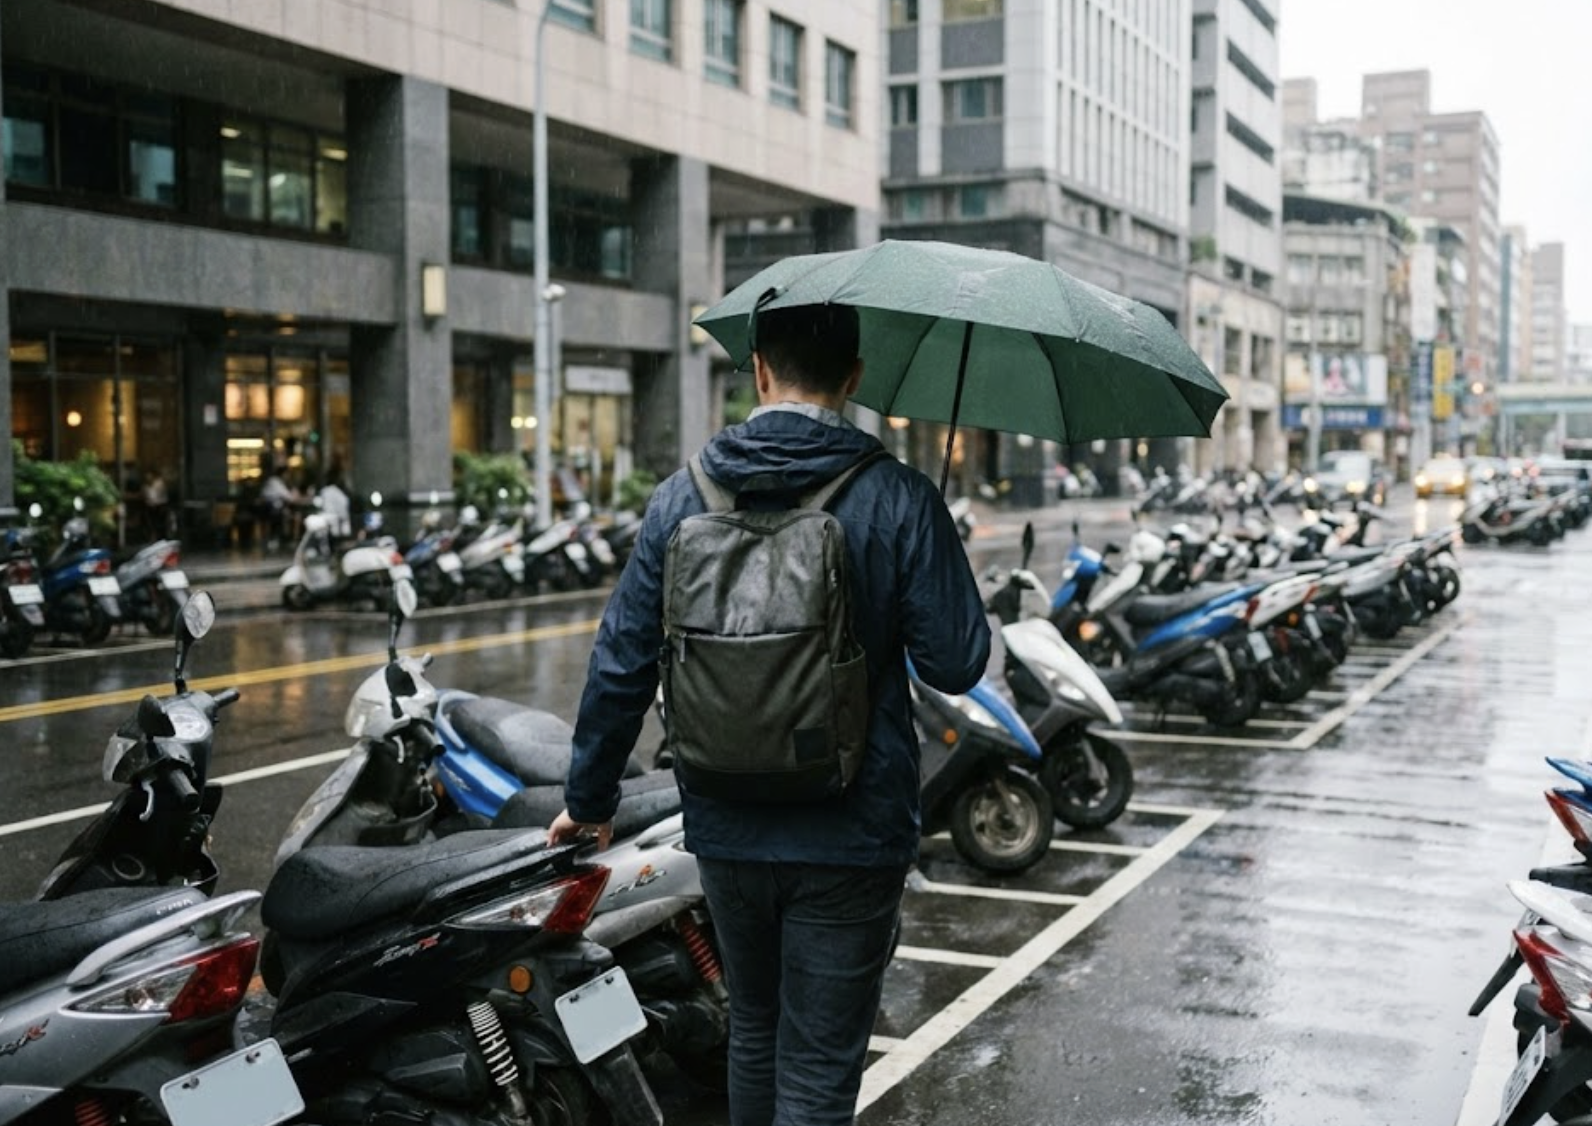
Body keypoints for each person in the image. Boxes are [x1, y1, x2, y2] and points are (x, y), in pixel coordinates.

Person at [549, 301, 991, 1126]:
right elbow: (957, 662)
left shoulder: (684, 493)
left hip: (726, 824)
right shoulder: (897, 495)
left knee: (753, 1029)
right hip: (853, 831)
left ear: (757, 369)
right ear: (853, 379)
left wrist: (590, 802)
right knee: (820, 1060)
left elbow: (621, 661)